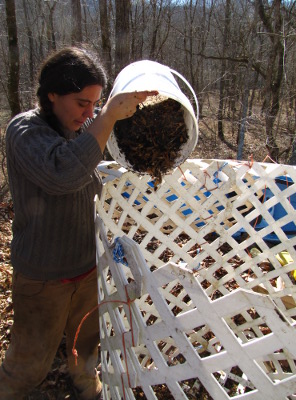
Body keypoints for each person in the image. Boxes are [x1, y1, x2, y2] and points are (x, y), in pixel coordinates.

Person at [0, 46, 158, 400]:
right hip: (44, 274)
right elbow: (64, 174)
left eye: (96, 103)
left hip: (85, 266)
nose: (90, 112)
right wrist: (105, 119)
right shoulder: (25, 130)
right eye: (82, 102)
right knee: (29, 360)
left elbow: (98, 146)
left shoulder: (79, 124)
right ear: (52, 94)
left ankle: (87, 385)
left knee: (85, 345)